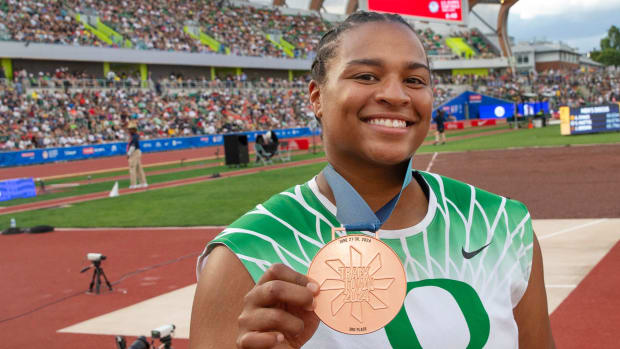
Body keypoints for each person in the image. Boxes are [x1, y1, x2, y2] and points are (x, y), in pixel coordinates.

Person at [190, 11, 555, 349]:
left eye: (415, 80)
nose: (396, 95)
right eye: (366, 76)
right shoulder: (245, 255)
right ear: (317, 97)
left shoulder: (501, 224)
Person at [126, 122, 147, 189]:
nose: (128, 130)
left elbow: (133, 146)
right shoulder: (135, 136)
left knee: (132, 168)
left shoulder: (134, 136)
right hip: (137, 152)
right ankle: (143, 182)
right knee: (139, 168)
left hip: (134, 152)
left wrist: (128, 154)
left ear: (133, 129)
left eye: (130, 129)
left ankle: (133, 184)